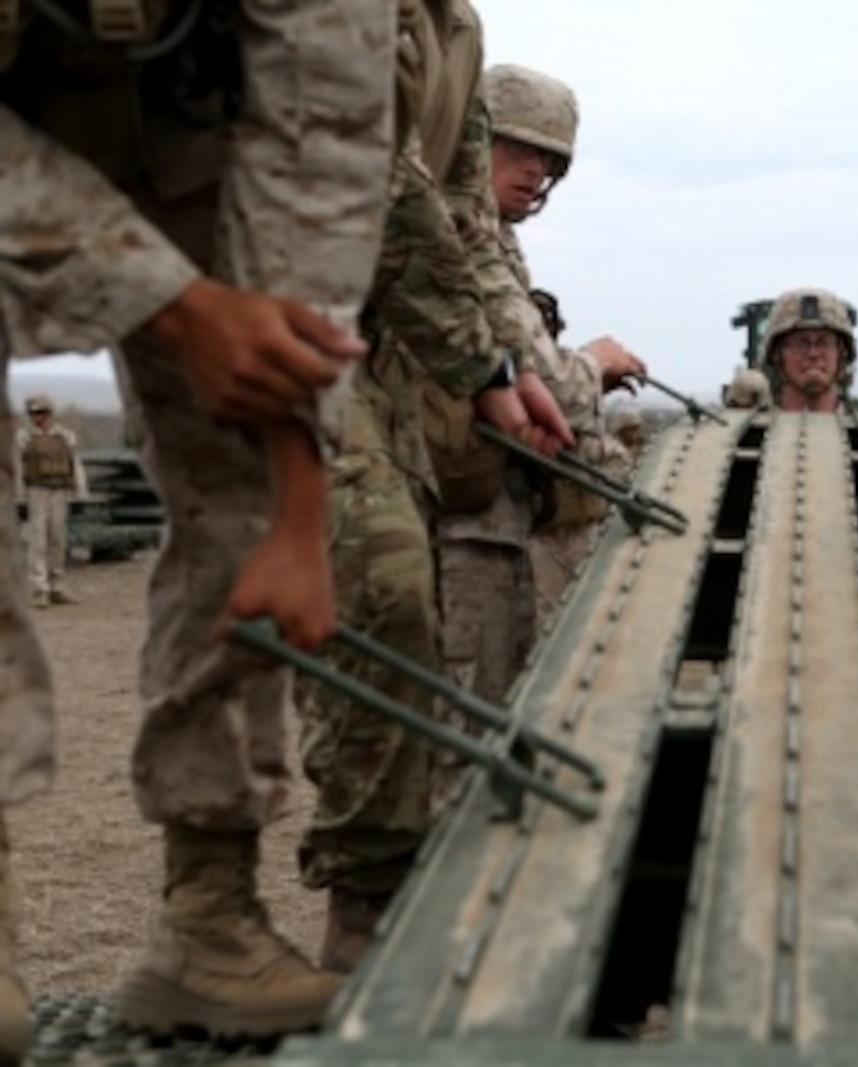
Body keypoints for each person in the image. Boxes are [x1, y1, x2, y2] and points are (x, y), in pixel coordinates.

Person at [0, 0, 396, 1047]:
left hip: (174, 121)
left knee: (241, 483)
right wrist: (171, 302)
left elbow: (322, 153)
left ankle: (207, 914)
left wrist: (295, 516)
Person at [298, 2, 573, 976]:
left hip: (380, 350)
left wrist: (510, 362)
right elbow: (382, 179)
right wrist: (488, 369)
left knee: (393, 603)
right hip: (278, 314)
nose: (538, 173)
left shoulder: (456, 30)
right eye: (529, 151)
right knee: (381, 585)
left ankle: (376, 879)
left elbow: (460, 226)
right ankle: (358, 889)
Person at [477, 63, 645, 639]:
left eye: (550, 161)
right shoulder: (464, 236)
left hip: (490, 514)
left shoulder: (492, 237)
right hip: (463, 524)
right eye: (519, 148)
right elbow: (552, 387)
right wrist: (596, 363)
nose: (535, 170)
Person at [15, 393, 86, 608]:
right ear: (29, 415)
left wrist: (80, 491)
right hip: (36, 490)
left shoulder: (65, 436)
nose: (40, 417)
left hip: (60, 490)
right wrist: (19, 498)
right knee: (38, 540)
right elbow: (19, 468)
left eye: (44, 412)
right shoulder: (23, 437)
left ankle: (57, 586)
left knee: (57, 538)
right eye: (36, 413)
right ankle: (39, 589)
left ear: (51, 412)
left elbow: (75, 463)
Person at [764, 288, 857, 414]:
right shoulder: (747, 430)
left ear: (842, 354)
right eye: (800, 344)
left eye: (824, 343)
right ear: (777, 354)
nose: (813, 354)